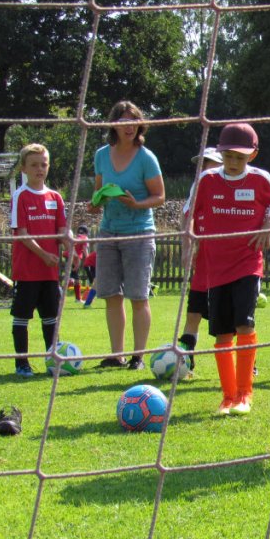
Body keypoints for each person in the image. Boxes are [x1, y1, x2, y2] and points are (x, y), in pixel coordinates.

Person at [191, 123, 270, 415]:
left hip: (248, 264)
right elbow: (189, 213)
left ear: (253, 155)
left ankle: (245, 394)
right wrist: (188, 241)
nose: (233, 162)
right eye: (229, 156)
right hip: (216, 269)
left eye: (240, 157)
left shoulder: (261, 179)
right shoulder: (207, 180)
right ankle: (228, 397)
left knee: (245, 324)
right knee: (222, 333)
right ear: (220, 153)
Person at [86, 100, 165, 370]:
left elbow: (160, 196)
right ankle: (116, 356)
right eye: (123, 121)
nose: (129, 126)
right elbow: (98, 192)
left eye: (134, 121)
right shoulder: (101, 155)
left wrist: (137, 204)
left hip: (139, 234)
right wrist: (95, 203)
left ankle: (138, 357)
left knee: (138, 296)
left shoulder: (146, 157)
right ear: (114, 125)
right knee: (111, 295)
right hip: (108, 233)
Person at [8, 143, 69, 377]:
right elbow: (21, 234)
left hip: (49, 272)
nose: (39, 169)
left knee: (51, 317)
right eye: (34, 165)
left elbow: (62, 231)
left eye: (43, 164)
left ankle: (53, 362)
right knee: (22, 317)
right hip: (27, 271)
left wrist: (71, 249)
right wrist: (44, 255)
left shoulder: (55, 197)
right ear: (23, 168)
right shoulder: (20, 196)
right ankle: (22, 364)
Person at [180, 146, 225, 373]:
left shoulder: (231, 187)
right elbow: (186, 217)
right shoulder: (197, 188)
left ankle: (249, 364)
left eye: (209, 162)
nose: (204, 167)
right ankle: (186, 363)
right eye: (202, 163)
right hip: (203, 268)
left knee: (231, 323)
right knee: (193, 316)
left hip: (227, 269)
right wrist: (188, 248)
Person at [70, 225, 88, 302]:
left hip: (68, 255)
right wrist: (88, 258)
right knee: (73, 278)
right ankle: (60, 293)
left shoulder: (76, 237)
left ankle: (78, 299)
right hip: (75, 258)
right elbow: (85, 250)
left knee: (76, 278)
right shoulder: (85, 238)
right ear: (86, 233)